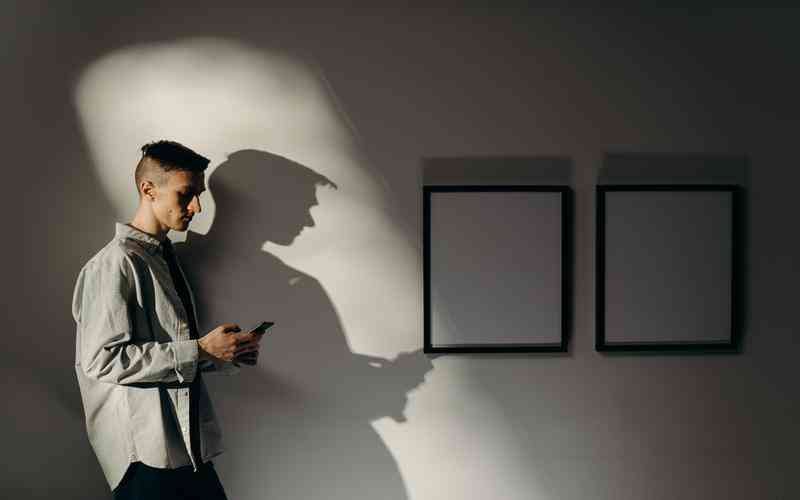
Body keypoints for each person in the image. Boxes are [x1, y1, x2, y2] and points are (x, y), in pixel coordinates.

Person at [72, 140, 264, 499]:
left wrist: (223, 354)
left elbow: (171, 354)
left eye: (198, 195)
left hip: (187, 449)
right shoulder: (114, 264)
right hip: (145, 458)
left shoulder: (166, 259)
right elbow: (101, 360)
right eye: (186, 194)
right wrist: (200, 349)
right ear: (148, 189)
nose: (197, 207)